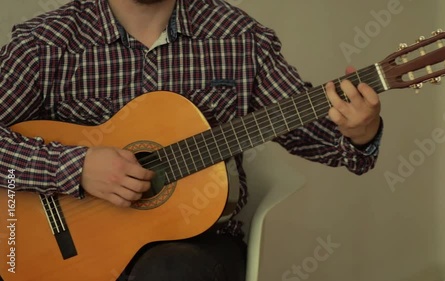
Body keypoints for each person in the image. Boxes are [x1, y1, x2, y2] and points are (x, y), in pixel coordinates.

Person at [0, 0, 383, 280]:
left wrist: (360, 132)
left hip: (197, 246)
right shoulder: (46, 42)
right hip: (66, 250)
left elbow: (316, 133)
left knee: (173, 272)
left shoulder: (239, 38)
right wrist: (77, 167)